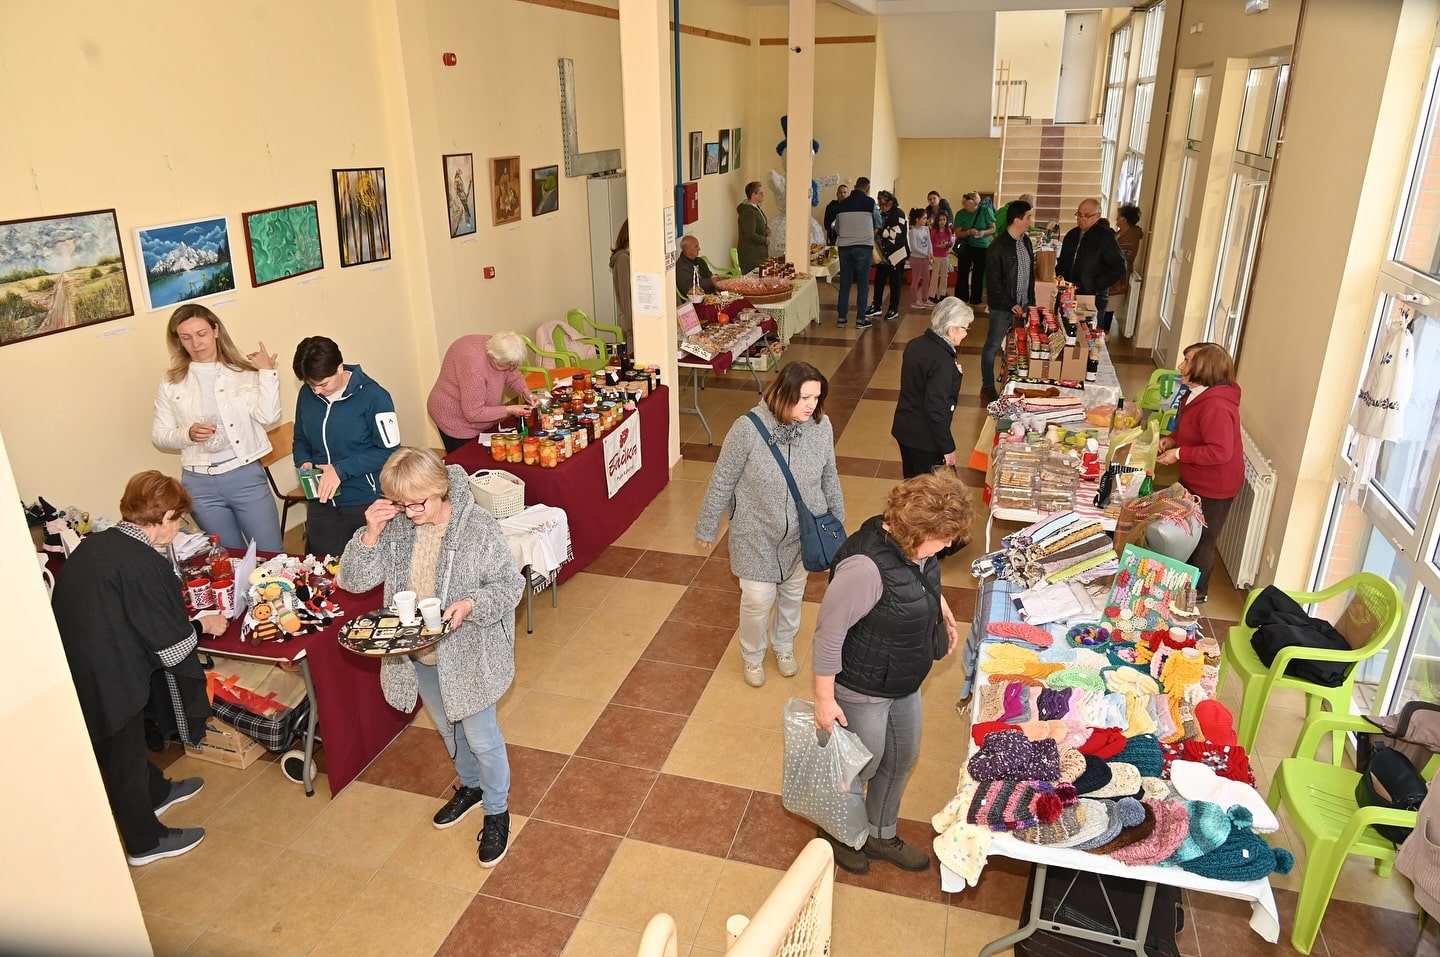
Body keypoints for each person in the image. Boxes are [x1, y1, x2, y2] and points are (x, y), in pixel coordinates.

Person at [338, 448, 525, 867]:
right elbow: (353, 580)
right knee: (447, 728)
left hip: (470, 656)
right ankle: (471, 786)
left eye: (416, 503)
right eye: (400, 504)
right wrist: (369, 533)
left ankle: (496, 810)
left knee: (481, 737)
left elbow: (510, 586)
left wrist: (471, 604)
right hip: (418, 654)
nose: (409, 512)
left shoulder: (477, 528)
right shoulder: (399, 525)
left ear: (440, 490)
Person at [52, 471, 229, 867]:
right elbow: (172, 648)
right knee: (123, 758)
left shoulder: (98, 544)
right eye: (178, 519)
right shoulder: (143, 563)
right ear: (163, 517)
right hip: (108, 673)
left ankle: (156, 793)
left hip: (80, 661)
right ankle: (145, 843)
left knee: (122, 746)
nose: (179, 526)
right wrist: (204, 624)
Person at [811, 470, 973, 874]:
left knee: (899, 760)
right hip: (862, 686)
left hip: (903, 678)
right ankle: (838, 835)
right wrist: (824, 699)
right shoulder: (865, 568)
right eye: (945, 537)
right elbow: (828, 634)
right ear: (918, 529)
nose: (950, 544)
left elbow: (918, 583)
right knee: (856, 769)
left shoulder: (920, 550)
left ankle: (880, 833)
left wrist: (942, 608)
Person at [695, 361, 846, 688]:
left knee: (793, 593)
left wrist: (837, 521)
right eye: (804, 398)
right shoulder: (747, 428)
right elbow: (722, 479)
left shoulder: (822, 426)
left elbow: (829, 475)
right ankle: (752, 654)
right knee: (758, 599)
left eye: (816, 398)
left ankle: (784, 646)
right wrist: (708, 526)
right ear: (783, 394)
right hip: (755, 532)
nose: (811, 406)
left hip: (803, 533)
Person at [150, 304, 284, 552]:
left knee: (271, 555)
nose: (196, 343)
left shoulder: (243, 372)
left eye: (201, 334)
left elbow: (269, 416)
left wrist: (267, 373)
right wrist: (187, 434)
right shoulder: (171, 382)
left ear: (215, 330)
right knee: (228, 559)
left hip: (244, 475)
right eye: (186, 337)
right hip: (199, 483)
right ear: (178, 341)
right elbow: (159, 435)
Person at [292, 336, 401, 557]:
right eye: (310, 385)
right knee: (324, 565)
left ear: (340, 367)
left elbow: (389, 451)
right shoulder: (307, 395)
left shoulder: (374, 397)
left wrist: (340, 470)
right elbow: (301, 437)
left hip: (364, 498)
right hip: (321, 498)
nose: (317, 391)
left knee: (366, 564)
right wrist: (303, 460)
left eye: (323, 384)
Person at [1156, 343, 1243, 603]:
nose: (1181, 367)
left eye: (1187, 362)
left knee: (1202, 539)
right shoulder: (1196, 394)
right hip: (1196, 477)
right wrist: (1173, 439)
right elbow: (1193, 429)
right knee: (1187, 531)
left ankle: (1196, 593)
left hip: (1215, 485)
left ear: (1205, 369)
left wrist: (1180, 454)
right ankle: (1178, 582)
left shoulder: (1216, 406)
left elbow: (1219, 451)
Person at [891, 298, 971, 477]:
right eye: (966, 328)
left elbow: (918, 386)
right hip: (925, 438)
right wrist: (948, 447)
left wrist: (953, 374)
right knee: (928, 497)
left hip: (905, 428)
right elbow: (936, 408)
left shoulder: (915, 344)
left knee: (912, 486)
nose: (966, 334)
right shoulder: (942, 360)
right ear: (952, 329)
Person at [427, 333, 536, 453]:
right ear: (493, 358)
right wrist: (509, 410)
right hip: (451, 416)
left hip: (475, 414)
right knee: (464, 461)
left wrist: (525, 392)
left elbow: (512, 374)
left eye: (513, 365)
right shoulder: (475, 368)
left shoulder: (496, 346)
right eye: (508, 365)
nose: (511, 368)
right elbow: (473, 413)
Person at [980, 200, 1036, 404]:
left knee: (1018, 347)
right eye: (1029, 217)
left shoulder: (1026, 241)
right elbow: (993, 282)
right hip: (1003, 308)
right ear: (1017, 220)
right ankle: (987, 386)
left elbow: (1030, 275)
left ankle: (1014, 385)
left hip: (1023, 306)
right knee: (992, 346)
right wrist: (1009, 302)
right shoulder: (998, 247)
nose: (1031, 221)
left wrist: (1030, 302)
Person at [1056, 198, 1127, 319]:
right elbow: (1062, 261)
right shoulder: (1071, 235)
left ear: (1097, 216)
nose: (1081, 218)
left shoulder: (1105, 237)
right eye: (1079, 214)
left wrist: (1096, 284)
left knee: (1089, 334)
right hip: (1069, 294)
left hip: (1093, 297)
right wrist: (1062, 280)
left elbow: (1119, 267)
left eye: (1086, 215)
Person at [832, 177, 878, 328]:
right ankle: (860, 319)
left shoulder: (842, 204)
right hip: (863, 246)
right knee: (863, 283)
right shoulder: (870, 203)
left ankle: (841, 319)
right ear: (867, 189)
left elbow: (837, 228)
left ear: (855, 187)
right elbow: (878, 222)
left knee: (845, 283)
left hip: (844, 246)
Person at [1103, 204, 1145, 335]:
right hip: (1112, 270)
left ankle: (1105, 331)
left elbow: (1122, 257)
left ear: (1125, 219)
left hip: (1118, 274)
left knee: (1110, 303)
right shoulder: (1121, 233)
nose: (1116, 219)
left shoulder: (1130, 237)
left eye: (1119, 217)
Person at [869, 191, 907, 324]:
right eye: (879, 202)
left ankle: (893, 309)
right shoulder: (881, 214)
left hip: (896, 255)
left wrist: (879, 231)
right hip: (883, 255)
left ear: (891, 202)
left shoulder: (899, 214)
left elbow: (896, 233)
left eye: (883, 203)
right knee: (879, 281)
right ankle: (876, 306)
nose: (881, 205)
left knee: (895, 283)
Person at [953, 192, 996, 310]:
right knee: (963, 272)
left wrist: (983, 232)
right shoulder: (960, 214)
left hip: (982, 246)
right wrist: (968, 232)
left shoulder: (985, 211)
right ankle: (961, 298)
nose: (964, 205)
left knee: (978, 273)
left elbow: (993, 228)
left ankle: (975, 299)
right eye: (963, 203)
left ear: (974, 204)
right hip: (966, 245)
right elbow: (957, 232)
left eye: (967, 204)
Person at [737, 181, 770, 274]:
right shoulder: (748, 212)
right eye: (761, 193)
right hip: (751, 256)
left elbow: (759, 224)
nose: (763, 195)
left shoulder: (756, 208)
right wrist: (765, 240)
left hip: (758, 254)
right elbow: (750, 235)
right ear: (753, 194)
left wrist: (766, 229)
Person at [609, 220, 632, 342]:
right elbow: (625, 295)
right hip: (630, 319)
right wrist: (631, 325)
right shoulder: (622, 259)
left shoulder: (629, 256)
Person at [906, 208, 933, 311]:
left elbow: (929, 242)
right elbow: (914, 247)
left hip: (925, 258)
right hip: (916, 258)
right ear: (917, 219)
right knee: (916, 279)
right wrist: (926, 254)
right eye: (924, 218)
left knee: (927, 278)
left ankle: (925, 298)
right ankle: (914, 300)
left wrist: (930, 253)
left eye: (926, 218)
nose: (925, 220)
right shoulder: (913, 231)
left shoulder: (926, 229)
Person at [928, 210, 955, 304]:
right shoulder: (934, 231)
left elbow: (950, 242)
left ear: (947, 220)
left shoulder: (948, 230)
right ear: (937, 220)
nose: (942, 222)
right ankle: (932, 295)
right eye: (940, 220)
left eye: (944, 219)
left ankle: (942, 293)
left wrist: (948, 245)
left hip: (945, 256)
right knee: (935, 276)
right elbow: (931, 243)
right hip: (936, 256)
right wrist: (937, 246)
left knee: (944, 276)